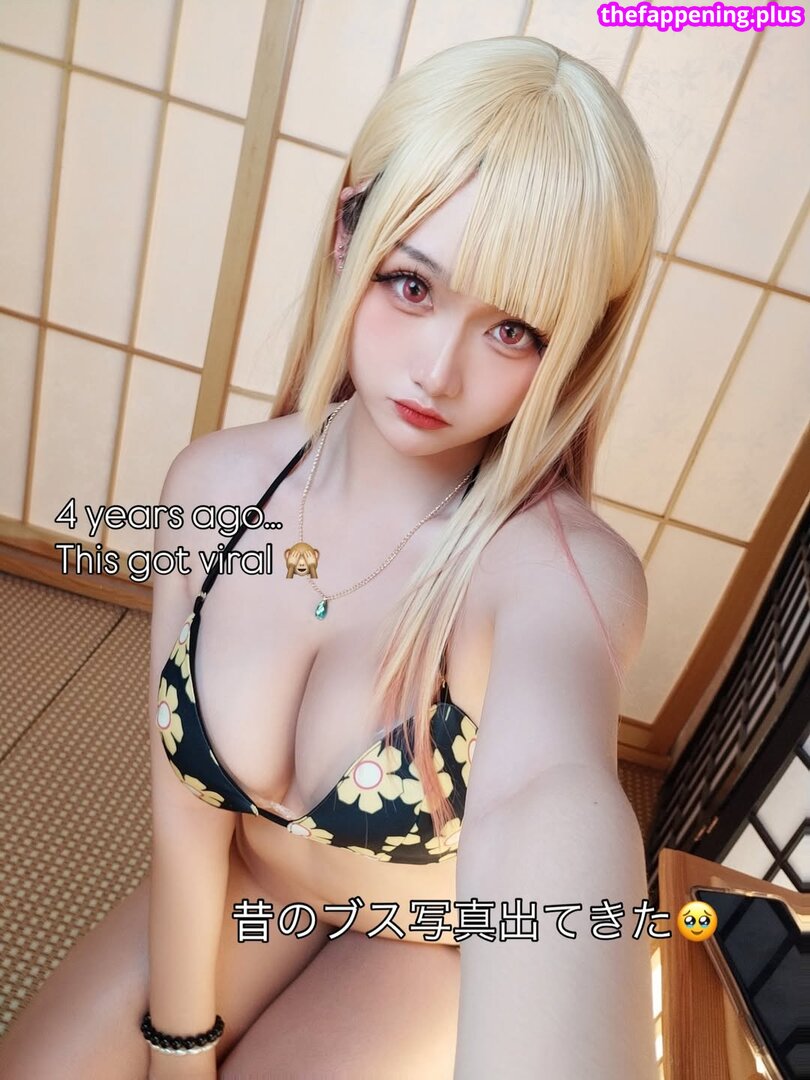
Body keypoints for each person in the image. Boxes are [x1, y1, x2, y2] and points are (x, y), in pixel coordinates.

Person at [0, 35, 660, 1079]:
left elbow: (553, 806)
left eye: (513, 330)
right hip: (254, 894)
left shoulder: (559, 579)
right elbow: (186, 813)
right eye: (411, 284)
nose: (437, 371)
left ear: (576, 343)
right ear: (349, 229)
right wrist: (179, 1047)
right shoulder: (214, 488)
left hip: (422, 947)